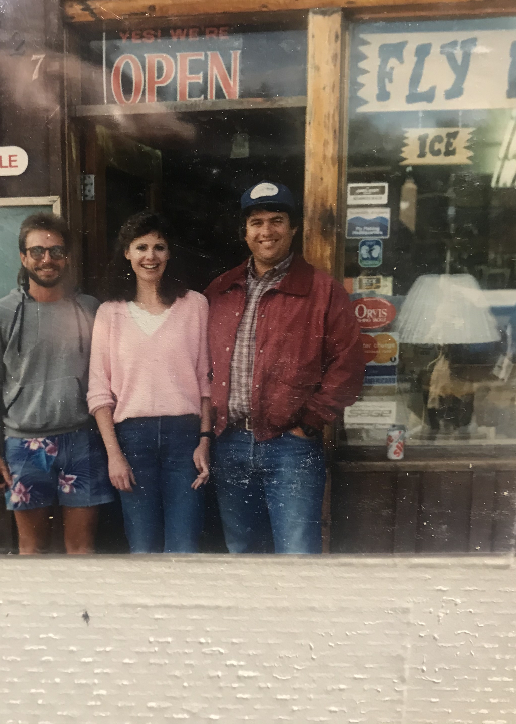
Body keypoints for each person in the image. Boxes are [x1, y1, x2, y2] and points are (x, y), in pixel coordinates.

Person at [205, 181, 365, 554]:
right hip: (229, 443)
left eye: (277, 220)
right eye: (256, 222)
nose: (266, 232)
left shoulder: (323, 291)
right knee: (242, 553)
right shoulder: (220, 289)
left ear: (293, 228)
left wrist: (310, 421)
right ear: (244, 232)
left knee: (297, 556)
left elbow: (349, 363)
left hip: (290, 447)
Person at [0, 213, 114, 554]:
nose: (47, 259)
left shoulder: (90, 309)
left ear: (67, 257)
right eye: (37, 251)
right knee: (31, 551)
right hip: (25, 445)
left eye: (56, 251)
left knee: (82, 550)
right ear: (23, 257)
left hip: (81, 441)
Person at [87, 211, 212, 554]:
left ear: (170, 254)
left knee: (184, 547)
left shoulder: (195, 305)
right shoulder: (109, 312)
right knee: (142, 548)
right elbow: (99, 392)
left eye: (159, 247)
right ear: (127, 253)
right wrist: (114, 455)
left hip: (184, 438)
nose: (150, 256)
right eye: (141, 247)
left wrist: (204, 439)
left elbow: (206, 382)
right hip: (132, 440)